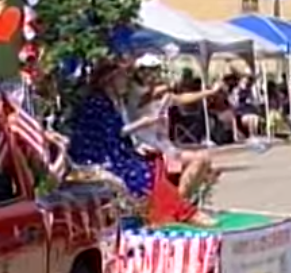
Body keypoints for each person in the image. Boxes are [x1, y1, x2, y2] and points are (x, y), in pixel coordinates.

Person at [68, 57, 209, 226]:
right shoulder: (99, 103)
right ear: (110, 80)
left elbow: (117, 134)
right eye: (123, 77)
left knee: (157, 165)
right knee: (146, 171)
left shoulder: (112, 101)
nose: (126, 82)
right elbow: (108, 135)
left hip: (120, 150)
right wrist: (145, 124)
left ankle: (177, 209)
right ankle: (178, 212)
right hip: (100, 156)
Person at [123, 55, 221, 201]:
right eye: (147, 70)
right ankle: (179, 204)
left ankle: (181, 202)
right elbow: (149, 96)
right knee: (199, 161)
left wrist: (210, 92)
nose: (151, 74)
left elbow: (181, 98)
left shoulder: (159, 92)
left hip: (164, 146)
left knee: (205, 163)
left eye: (154, 70)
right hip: (146, 149)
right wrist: (172, 84)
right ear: (139, 72)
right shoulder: (134, 91)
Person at [230, 74, 262, 141]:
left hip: (250, 110)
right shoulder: (236, 91)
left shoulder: (250, 90)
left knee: (255, 118)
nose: (245, 83)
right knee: (250, 118)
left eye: (246, 81)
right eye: (243, 82)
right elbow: (234, 102)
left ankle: (254, 135)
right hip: (242, 112)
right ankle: (251, 136)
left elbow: (255, 101)